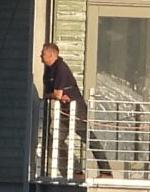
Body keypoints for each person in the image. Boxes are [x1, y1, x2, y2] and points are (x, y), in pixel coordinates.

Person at [38, 42, 109, 175]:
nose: (40, 56)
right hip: (65, 112)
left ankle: (106, 172)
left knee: (89, 139)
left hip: (77, 111)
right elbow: (54, 94)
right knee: (55, 142)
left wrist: (51, 95)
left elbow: (57, 94)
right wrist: (52, 95)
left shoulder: (61, 68)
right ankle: (77, 172)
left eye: (43, 54)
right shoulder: (49, 70)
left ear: (51, 55)